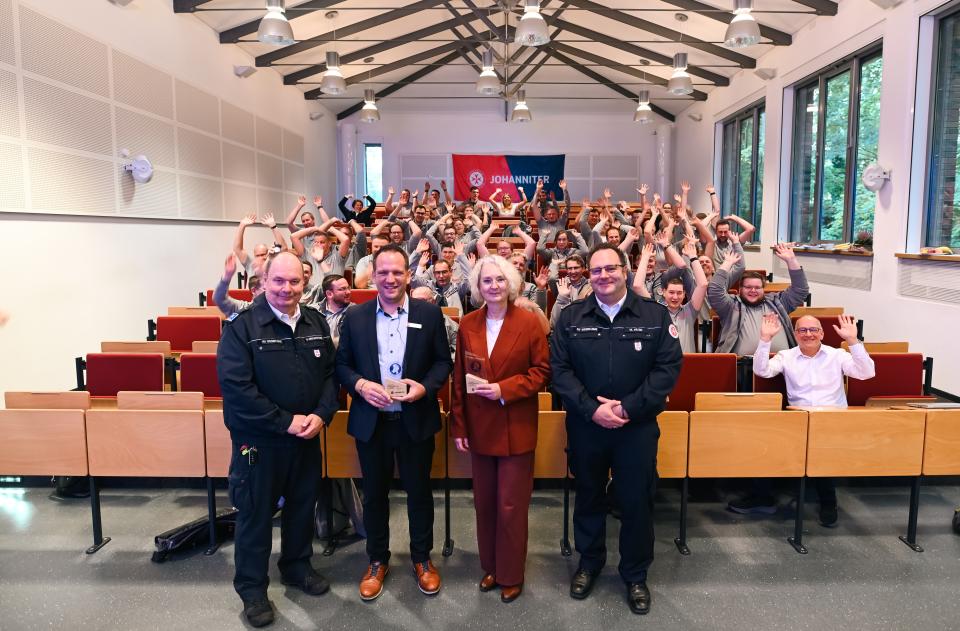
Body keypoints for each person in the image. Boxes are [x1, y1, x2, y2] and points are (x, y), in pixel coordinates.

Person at [550, 243, 682, 616]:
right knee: (589, 496)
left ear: (624, 270)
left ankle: (635, 573)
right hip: (586, 426)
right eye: (596, 271)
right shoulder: (572, 317)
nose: (603, 276)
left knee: (636, 502)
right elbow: (559, 370)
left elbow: (667, 370)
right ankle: (589, 563)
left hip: (635, 428)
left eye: (610, 268)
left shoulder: (655, 316)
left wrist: (626, 407)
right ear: (588, 276)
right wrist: (593, 410)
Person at [217, 251, 339, 628]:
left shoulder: (316, 322)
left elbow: (332, 376)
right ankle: (253, 589)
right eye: (279, 281)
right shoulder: (242, 327)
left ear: (305, 283)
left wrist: (321, 415)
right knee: (255, 514)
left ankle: (296, 566)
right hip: (257, 444)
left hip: (305, 439)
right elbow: (237, 389)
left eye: (294, 282)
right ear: (263, 281)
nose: (287, 289)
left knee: (302, 507)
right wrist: (285, 421)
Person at [335, 244, 453, 601]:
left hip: (415, 418)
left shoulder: (429, 315)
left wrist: (424, 387)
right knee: (374, 495)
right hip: (372, 420)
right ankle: (376, 560)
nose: (390, 278)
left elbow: (443, 363)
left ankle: (422, 559)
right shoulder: (354, 317)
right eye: (383, 272)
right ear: (373, 276)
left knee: (419, 492)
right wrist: (359, 385)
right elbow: (341, 366)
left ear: (409, 275)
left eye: (397, 272)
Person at [450, 255, 551, 603]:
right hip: (478, 428)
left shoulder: (529, 322)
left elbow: (541, 373)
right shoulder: (467, 324)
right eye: (486, 281)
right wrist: (459, 426)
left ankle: (511, 573)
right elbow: (458, 381)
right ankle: (491, 566)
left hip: (515, 426)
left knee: (511, 506)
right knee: (484, 504)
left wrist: (503, 390)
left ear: (510, 284)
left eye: (499, 280)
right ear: (478, 287)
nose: (493, 286)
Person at [749, 314, 875, 525]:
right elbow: (762, 371)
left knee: (821, 451)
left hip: (832, 420)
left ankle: (828, 502)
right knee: (766, 444)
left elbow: (866, 373)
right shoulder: (786, 356)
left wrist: (853, 341)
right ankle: (763, 498)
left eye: (813, 330)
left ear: (822, 333)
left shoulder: (837, 355)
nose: (808, 334)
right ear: (795, 334)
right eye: (802, 330)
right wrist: (765, 339)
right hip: (799, 419)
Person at [708, 244, 809, 356]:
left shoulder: (777, 302)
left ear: (763, 289)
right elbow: (714, 290)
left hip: (781, 365)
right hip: (741, 368)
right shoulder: (731, 305)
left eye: (757, 287)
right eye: (748, 287)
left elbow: (801, 290)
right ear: (740, 289)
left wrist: (791, 260)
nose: (753, 290)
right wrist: (727, 263)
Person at [315, 273, 351, 348]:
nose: (348, 292)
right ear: (329, 294)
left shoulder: (355, 312)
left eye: (348, 288)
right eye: (342, 289)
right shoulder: (313, 312)